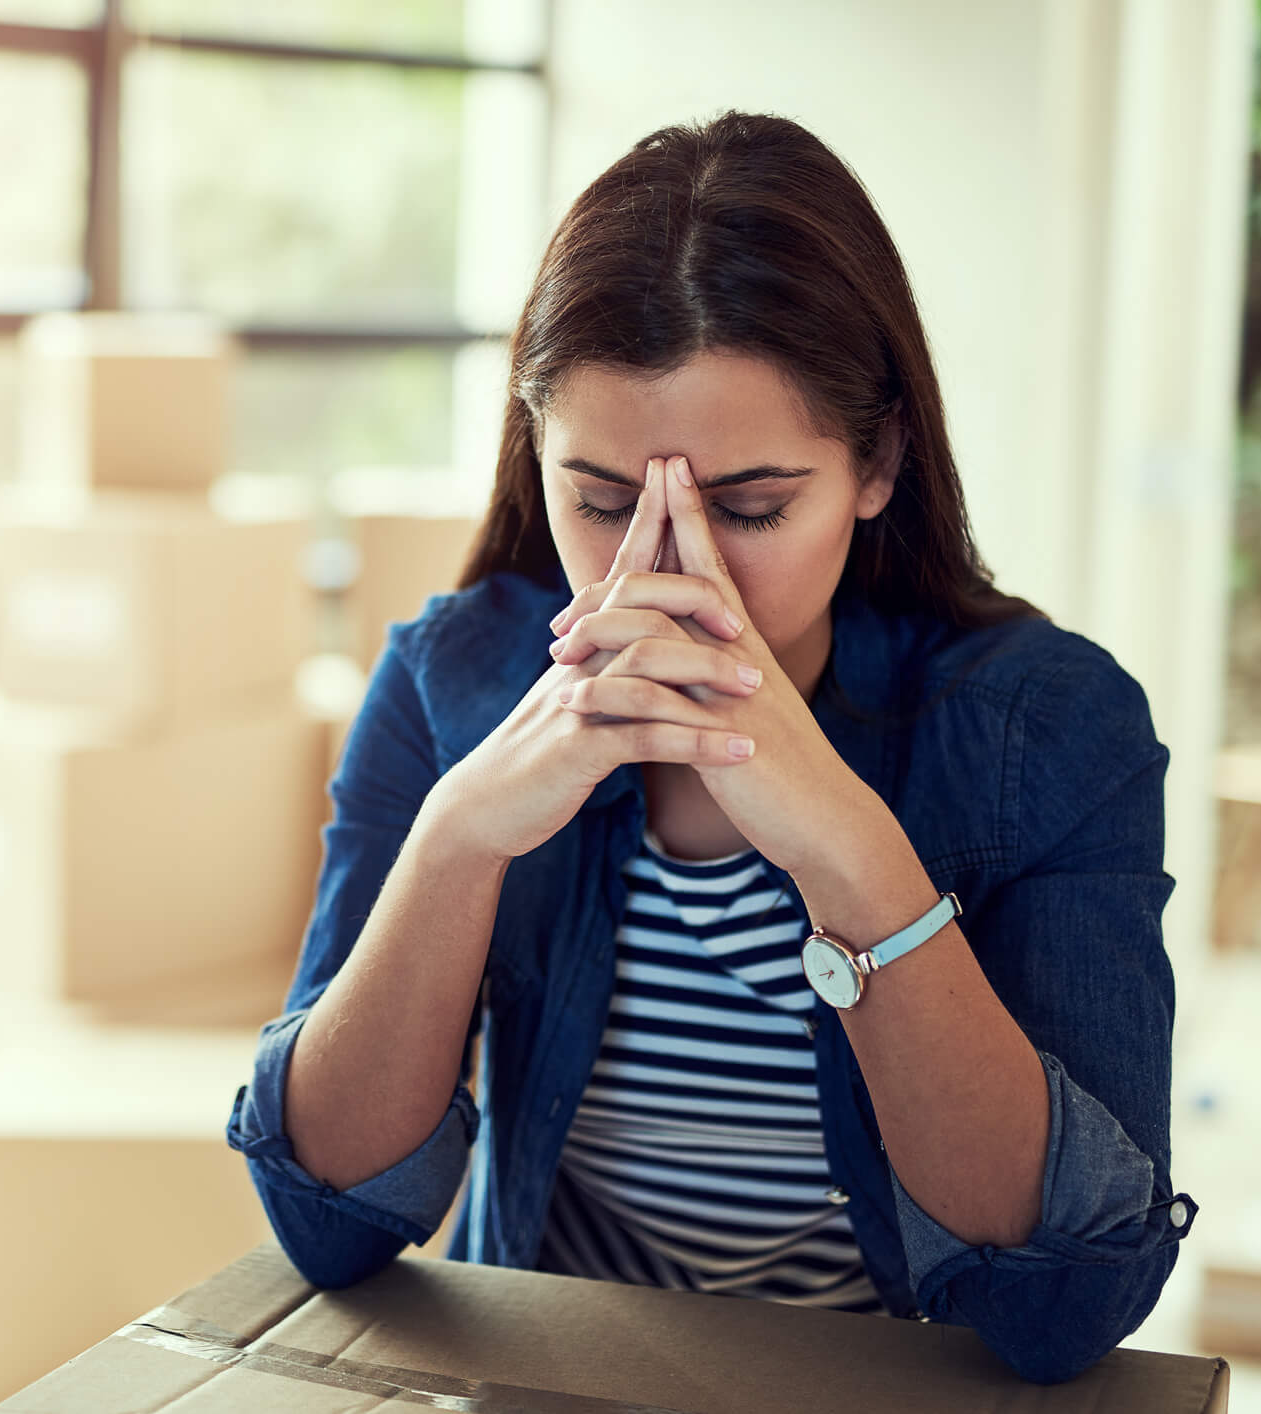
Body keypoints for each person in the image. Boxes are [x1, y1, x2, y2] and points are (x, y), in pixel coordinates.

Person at [225, 111, 1196, 1385]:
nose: (669, 567)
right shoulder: (449, 677)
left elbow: (1064, 1303)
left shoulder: (1047, 729)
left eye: (749, 507)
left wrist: (847, 846)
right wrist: (462, 835)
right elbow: (327, 1221)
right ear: (535, 457)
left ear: (879, 459)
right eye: (601, 500)